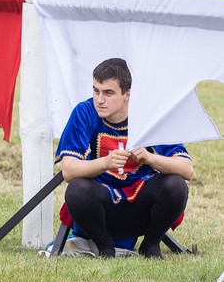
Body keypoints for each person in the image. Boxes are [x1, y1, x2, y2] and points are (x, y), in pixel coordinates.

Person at [56, 58, 192, 258]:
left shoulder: (147, 116)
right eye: (96, 91)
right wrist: (105, 163)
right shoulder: (84, 112)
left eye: (108, 93)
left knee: (176, 186)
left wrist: (150, 158)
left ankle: (151, 244)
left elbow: (187, 169)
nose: (99, 100)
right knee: (78, 190)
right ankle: (105, 246)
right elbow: (68, 170)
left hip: (140, 207)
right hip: (101, 207)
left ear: (127, 95)